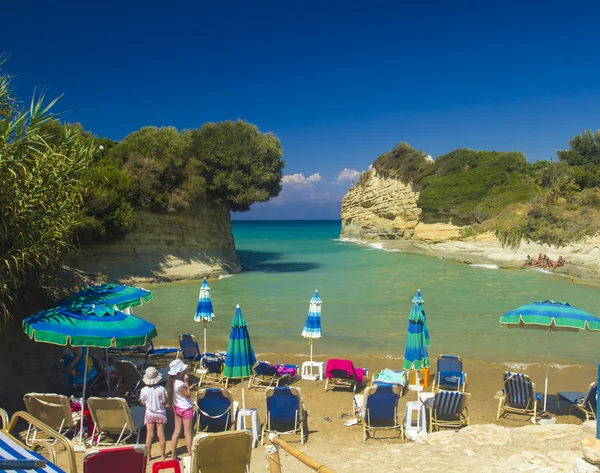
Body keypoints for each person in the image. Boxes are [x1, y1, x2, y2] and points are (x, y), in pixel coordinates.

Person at [167, 359, 193, 459]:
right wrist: (186, 383)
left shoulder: (171, 382)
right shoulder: (180, 384)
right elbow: (188, 395)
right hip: (185, 409)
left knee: (176, 431)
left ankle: (173, 455)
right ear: (178, 372)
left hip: (177, 408)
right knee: (188, 433)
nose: (184, 372)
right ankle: (190, 455)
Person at [140, 367, 167, 461]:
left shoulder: (143, 390)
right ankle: (163, 455)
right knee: (161, 434)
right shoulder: (162, 389)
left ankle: (148, 456)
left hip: (149, 414)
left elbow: (143, 402)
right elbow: (164, 401)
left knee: (149, 435)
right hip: (160, 414)